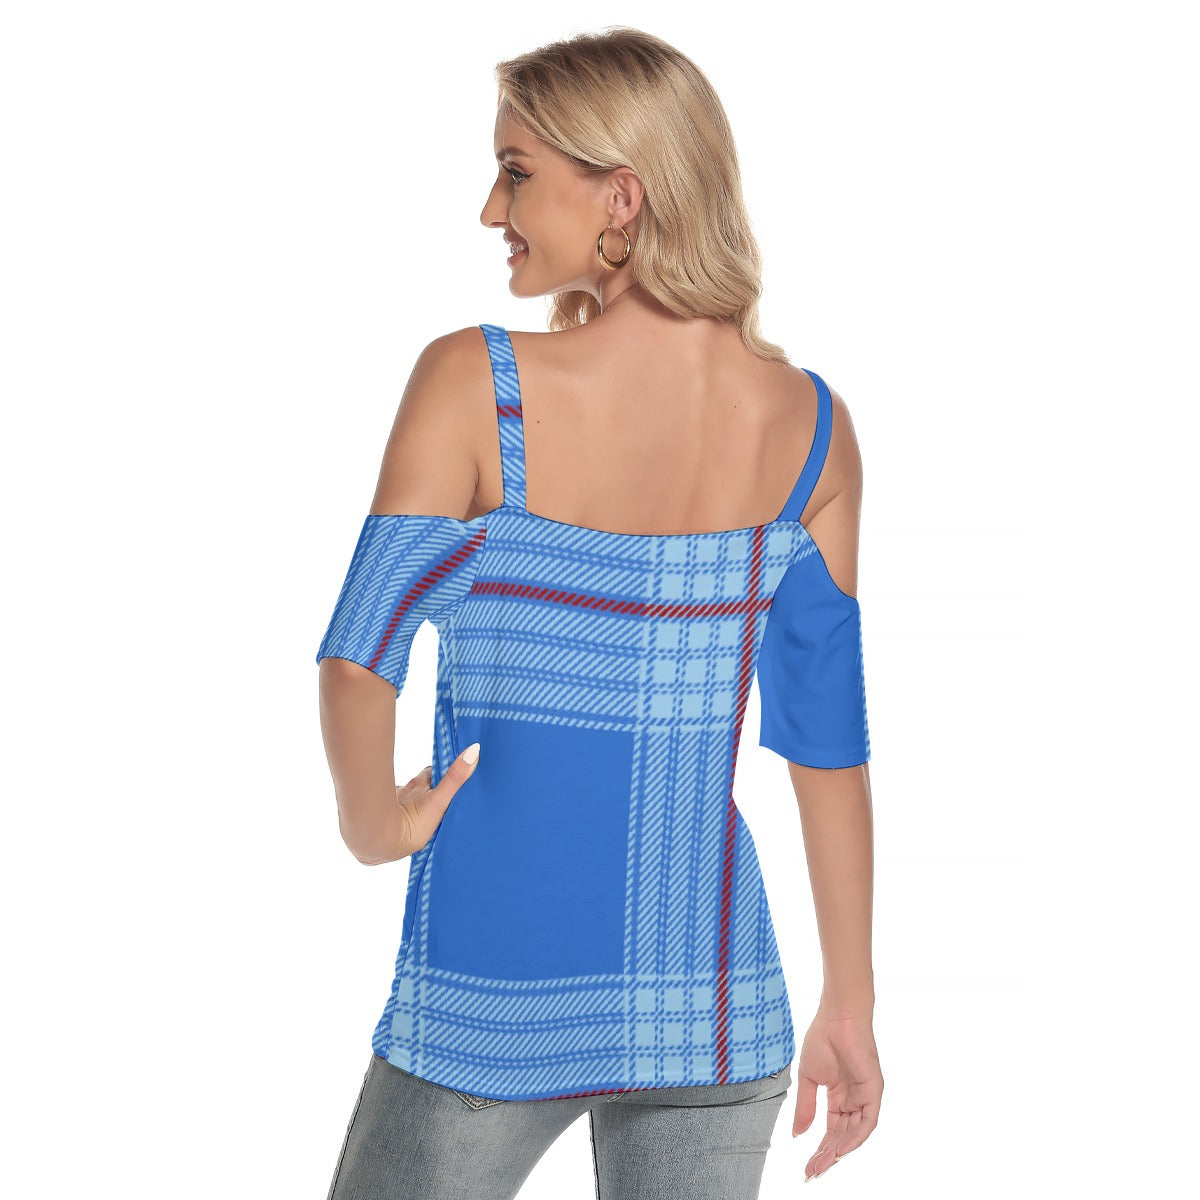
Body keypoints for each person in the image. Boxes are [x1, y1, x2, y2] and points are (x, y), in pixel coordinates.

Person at [316, 26, 883, 1200]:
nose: (492, 207)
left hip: (490, 996)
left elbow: (360, 655)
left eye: (516, 171)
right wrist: (850, 1002)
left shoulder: (478, 385)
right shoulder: (813, 430)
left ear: (621, 197)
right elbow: (825, 741)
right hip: (713, 1007)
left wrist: (373, 823)